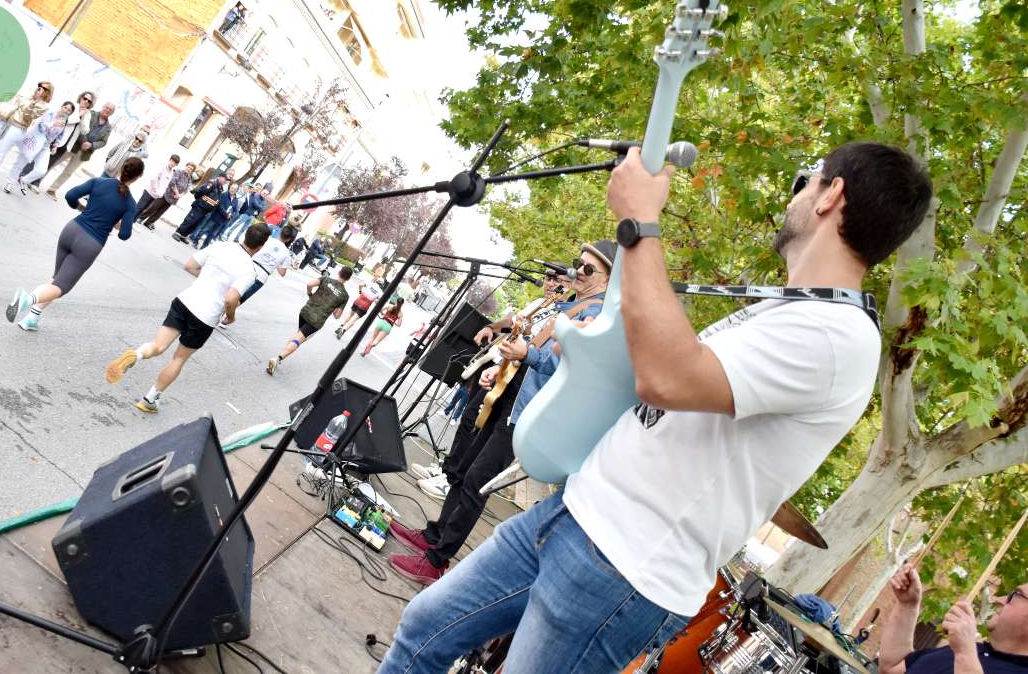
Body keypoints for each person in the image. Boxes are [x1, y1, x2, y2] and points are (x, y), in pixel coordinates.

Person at [377, 142, 934, 672]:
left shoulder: (837, 337)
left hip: (622, 569)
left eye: (802, 180)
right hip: (576, 515)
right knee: (423, 628)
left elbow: (669, 376)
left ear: (830, 194)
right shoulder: (791, 311)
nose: (792, 196)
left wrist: (641, 224)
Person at [385, 244, 610, 585]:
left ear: (610, 279)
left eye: (589, 269)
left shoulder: (597, 315)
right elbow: (534, 345)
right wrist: (506, 365)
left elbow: (568, 364)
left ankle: (436, 559)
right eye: (579, 263)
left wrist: (527, 357)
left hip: (528, 412)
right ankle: (434, 536)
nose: (578, 270)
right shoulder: (571, 305)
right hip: (508, 394)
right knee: (463, 471)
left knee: (478, 481)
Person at [104, 223, 271, 412]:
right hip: (205, 317)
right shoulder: (249, 270)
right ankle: (149, 399)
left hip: (185, 300)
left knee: (157, 346)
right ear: (261, 246)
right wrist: (230, 316)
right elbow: (231, 297)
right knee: (179, 359)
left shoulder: (221, 246)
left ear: (245, 235)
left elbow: (190, 265)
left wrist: (206, 280)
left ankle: (137, 354)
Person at [4, 157, 144, 331]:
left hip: (71, 230)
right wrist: (114, 221)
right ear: (138, 177)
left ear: (122, 167)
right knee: (62, 287)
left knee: (57, 278)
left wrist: (82, 208)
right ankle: (27, 299)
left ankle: (32, 317)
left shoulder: (98, 181)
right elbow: (124, 234)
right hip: (90, 243)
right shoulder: (130, 203)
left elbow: (70, 196)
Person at [879, 563, 1028, 674]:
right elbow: (891, 668)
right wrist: (908, 605)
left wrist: (965, 654)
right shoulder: (972, 651)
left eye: (1015, 595)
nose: (999, 600)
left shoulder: (965, 653)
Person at [265, 265, 352, 375]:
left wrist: (310, 294)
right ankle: (277, 359)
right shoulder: (344, 295)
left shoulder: (326, 279)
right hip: (316, 320)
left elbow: (310, 284)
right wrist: (333, 304)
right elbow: (337, 315)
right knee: (299, 340)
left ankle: (283, 353)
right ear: (348, 279)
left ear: (339, 272)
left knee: (299, 333)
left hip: (305, 311)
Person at [0, 81, 53, 183]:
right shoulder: (27, 95)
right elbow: (14, 102)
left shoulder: (43, 107)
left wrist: (32, 104)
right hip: (4, 120)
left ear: (48, 92)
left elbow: (28, 117)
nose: (40, 89)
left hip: (18, 127)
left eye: (44, 88)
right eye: (39, 86)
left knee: (1, 151)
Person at [21, 90, 95, 191]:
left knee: (49, 163)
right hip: (56, 136)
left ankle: (35, 182)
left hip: (68, 143)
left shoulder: (88, 114)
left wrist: (83, 118)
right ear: (81, 98)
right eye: (84, 98)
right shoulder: (72, 107)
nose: (86, 101)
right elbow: (65, 120)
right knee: (40, 158)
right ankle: (24, 174)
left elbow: (85, 130)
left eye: (89, 101)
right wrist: (78, 115)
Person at [44, 101, 114, 199]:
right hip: (74, 144)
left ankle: (52, 189)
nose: (107, 110)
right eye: (106, 107)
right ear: (103, 107)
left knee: (68, 172)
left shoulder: (108, 127)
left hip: (86, 152)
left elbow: (103, 142)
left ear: (112, 113)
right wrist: (84, 141)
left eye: (110, 110)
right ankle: (38, 178)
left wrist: (91, 145)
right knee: (55, 162)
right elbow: (82, 125)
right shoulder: (91, 113)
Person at [3, 104, 70, 196]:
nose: (66, 111)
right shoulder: (50, 113)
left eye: (69, 111)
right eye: (65, 107)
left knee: (41, 170)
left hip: (46, 146)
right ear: (61, 106)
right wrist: (53, 124)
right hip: (35, 140)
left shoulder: (64, 123)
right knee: (20, 163)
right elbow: (41, 125)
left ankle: (23, 180)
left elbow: (60, 136)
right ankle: (9, 183)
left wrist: (55, 145)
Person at [237, 223, 296, 307]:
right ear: (288, 239)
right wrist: (277, 261)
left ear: (280, 232)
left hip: (250, 267)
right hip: (262, 276)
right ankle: (226, 316)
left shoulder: (267, 239)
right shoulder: (286, 253)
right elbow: (282, 273)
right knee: (240, 299)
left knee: (233, 290)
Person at [173, 171, 229, 243]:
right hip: (200, 206)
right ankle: (178, 233)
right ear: (220, 177)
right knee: (190, 220)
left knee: (195, 223)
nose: (225, 181)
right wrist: (200, 202)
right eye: (225, 179)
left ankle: (183, 235)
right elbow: (200, 192)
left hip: (206, 210)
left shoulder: (220, 188)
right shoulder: (212, 183)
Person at [139, 161, 195, 231]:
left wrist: (180, 195)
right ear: (186, 166)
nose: (189, 169)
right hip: (167, 194)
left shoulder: (189, 178)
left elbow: (187, 189)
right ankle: (141, 217)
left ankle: (148, 222)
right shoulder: (178, 171)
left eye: (191, 169)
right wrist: (177, 193)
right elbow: (172, 182)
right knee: (154, 207)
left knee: (161, 212)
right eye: (188, 167)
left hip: (174, 199)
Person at [190, 182, 239, 248]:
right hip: (215, 216)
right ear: (229, 187)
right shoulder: (224, 194)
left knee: (212, 234)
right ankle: (195, 241)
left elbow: (236, 211)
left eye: (235, 189)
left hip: (223, 220)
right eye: (232, 188)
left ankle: (204, 246)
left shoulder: (236, 200)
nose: (233, 190)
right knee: (205, 229)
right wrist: (226, 214)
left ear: (237, 191)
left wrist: (231, 215)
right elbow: (220, 205)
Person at [134, 153, 179, 218]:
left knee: (143, 209)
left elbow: (165, 184)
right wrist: (155, 190)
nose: (173, 163)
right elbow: (153, 179)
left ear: (176, 165)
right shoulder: (162, 167)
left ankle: (131, 222)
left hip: (156, 195)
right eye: (172, 161)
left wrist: (160, 193)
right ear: (170, 160)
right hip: (149, 191)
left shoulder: (171, 172)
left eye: (175, 163)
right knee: (139, 207)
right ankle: (126, 221)